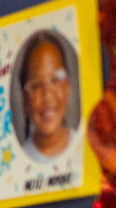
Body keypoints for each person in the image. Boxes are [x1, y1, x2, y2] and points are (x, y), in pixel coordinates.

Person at [18, 32, 74, 160]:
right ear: (25, 100)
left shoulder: (86, 146)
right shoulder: (18, 161)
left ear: (66, 87)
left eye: (55, 80)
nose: (47, 95)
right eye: (37, 85)